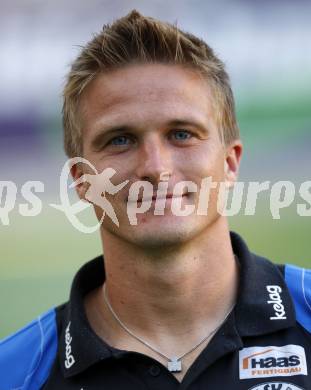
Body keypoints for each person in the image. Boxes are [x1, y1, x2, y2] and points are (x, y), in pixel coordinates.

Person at [1, 10, 310, 390]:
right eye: (120, 140)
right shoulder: (14, 373)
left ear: (230, 163)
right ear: (81, 179)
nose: (155, 168)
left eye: (181, 134)